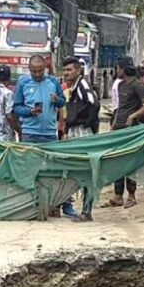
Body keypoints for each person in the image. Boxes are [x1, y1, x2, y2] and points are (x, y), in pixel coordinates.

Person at [101, 62, 144, 209]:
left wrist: (133, 116)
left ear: (123, 69)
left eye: (117, 68)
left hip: (131, 128)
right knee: (117, 161)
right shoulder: (120, 85)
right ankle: (117, 195)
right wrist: (113, 125)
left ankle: (131, 195)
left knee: (129, 161)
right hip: (119, 127)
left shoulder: (137, 86)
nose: (116, 70)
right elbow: (119, 107)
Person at [62, 58, 100, 222]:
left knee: (86, 170)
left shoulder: (82, 84)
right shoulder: (74, 86)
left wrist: (87, 122)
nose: (66, 73)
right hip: (75, 130)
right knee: (79, 170)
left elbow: (94, 103)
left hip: (82, 132)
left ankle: (87, 210)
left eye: (70, 70)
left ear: (78, 70)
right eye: (65, 70)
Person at [12, 54, 66, 144]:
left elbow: (63, 102)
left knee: (49, 158)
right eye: (34, 71)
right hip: (29, 133)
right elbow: (16, 107)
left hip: (50, 133)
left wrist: (57, 100)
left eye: (40, 71)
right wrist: (29, 111)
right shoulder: (23, 82)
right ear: (29, 69)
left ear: (44, 68)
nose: (37, 74)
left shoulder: (53, 81)